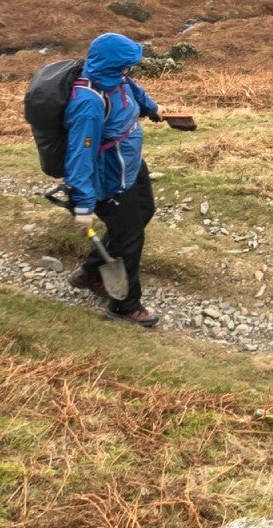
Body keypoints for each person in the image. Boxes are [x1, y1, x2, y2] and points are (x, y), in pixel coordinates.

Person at [61, 32, 192, 327]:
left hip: (130, 166)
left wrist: (154, 109)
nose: (130, 71)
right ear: (112, 66)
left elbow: (132, 90)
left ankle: (90, 272)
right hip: (110, 182)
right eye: (127, 65)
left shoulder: (117, 79)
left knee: (145, 212)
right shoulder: (88, 103)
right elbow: (79, 159)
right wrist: (82, 204)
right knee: (131, 239)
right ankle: (124, 305)